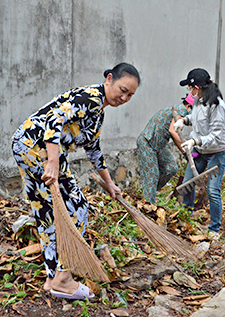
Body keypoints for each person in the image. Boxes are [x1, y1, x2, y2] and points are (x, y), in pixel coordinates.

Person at [11, 63, 140, 299]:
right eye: (122, 90)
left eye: (130, 95)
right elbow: (53, 121)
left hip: (28, 145)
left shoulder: (97, 112)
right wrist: (52, 163)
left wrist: (110, 184)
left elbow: (94, 150)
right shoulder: (90, 97)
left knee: (48, 212)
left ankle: (54, 280)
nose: (124, 97)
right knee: (78, 205)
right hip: (36, 146)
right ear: (109, 79)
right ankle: (64, 275)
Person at [173, 68, 225, 240]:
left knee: (212, 190)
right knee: (187, 183)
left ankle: (214, 229)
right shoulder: (198, 101)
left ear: (197, 87)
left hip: (216, 152)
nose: (189, 92)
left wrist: (195, 141)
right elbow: (195, 117)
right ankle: (186, 218)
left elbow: (216, 135)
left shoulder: (217, 106)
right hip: (200, 151)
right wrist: (184, 120)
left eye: (191, 88)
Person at [136, 94, 193, 203]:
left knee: (171, 168)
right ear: (189, 107)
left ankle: (148, 192)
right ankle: (148, 204)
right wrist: (187, 143)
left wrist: (185, 153)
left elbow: (175, 137)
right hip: (148, 143)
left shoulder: (180, 112)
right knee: (152, 174)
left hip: (159, 145)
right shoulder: (181, 110)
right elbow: (173, 130)